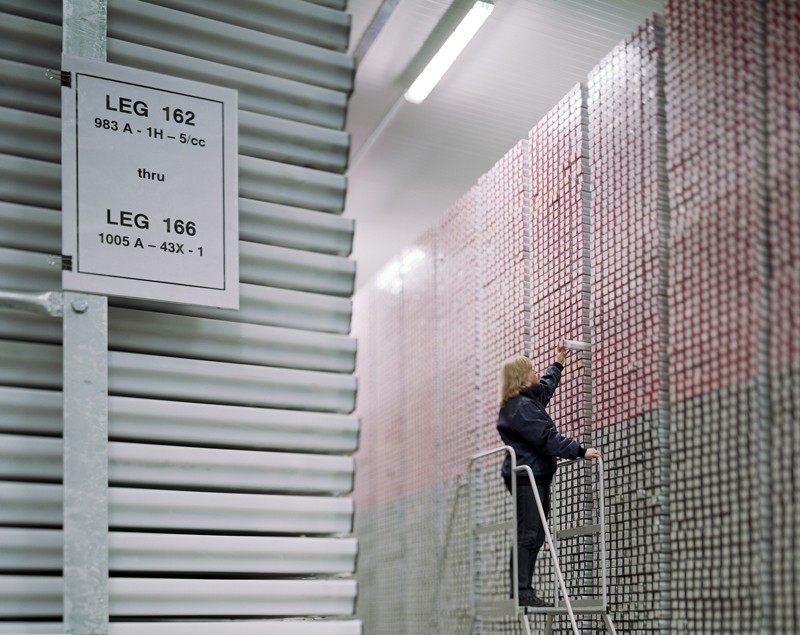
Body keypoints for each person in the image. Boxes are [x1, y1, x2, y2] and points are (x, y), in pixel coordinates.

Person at [496, 346, 601, 607]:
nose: (535, 371)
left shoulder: (525, 402)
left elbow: (543, 389)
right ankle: (521, 592)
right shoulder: (521, 407)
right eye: (531, 369)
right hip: (526, 476)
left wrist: (558, 364)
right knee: (530, 533)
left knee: (534, 533)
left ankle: (521, 590)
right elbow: (546, 438)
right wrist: (579, 450)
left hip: (533, 475)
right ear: (522, 376)